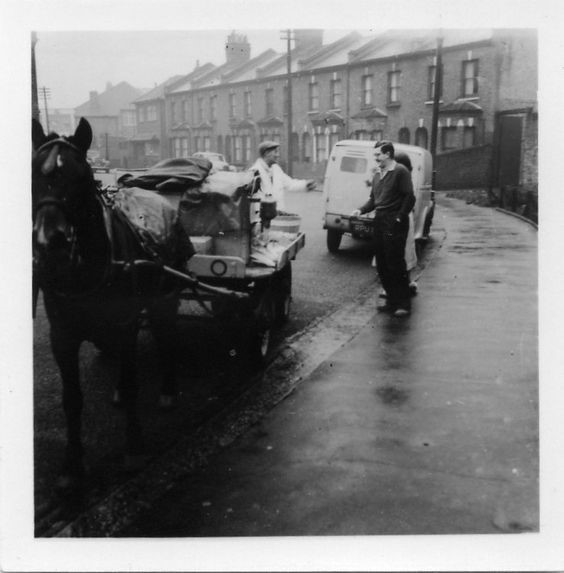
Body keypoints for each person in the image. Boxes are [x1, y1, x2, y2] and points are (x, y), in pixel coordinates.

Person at [351, 141, 415, 317]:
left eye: (378, 155)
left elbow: (409, 198)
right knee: (382, 263)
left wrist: (399, 217)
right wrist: (361, 210)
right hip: (379, 220)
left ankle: (403, 304)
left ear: (388, 154)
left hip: (394, 221)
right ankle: (392, 301)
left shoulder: (400, 171)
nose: (376, 158)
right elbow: (373, 200)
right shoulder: (377, 175)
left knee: (395, 262)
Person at [249, 141, 316, 214]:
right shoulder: (254, 172)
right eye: (275, 152)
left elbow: (290, 183)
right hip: (263, 218)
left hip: (279, 216)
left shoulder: (276, 169)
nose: (278, 155)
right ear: (267, 153)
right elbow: (253, 200)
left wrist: (305, 185)